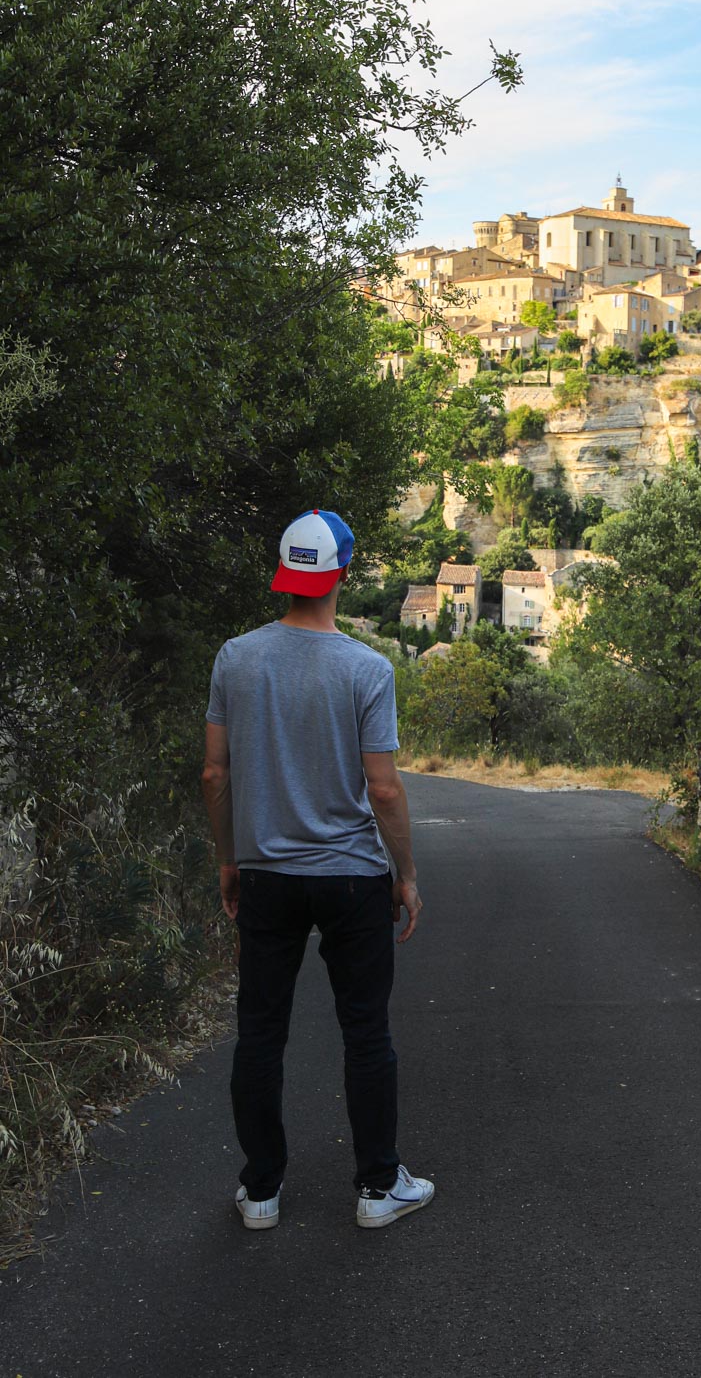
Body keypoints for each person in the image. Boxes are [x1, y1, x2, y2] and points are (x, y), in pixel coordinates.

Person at [201, 507, 433, 1231]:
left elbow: (214, 775)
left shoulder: (235, 658)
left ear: (286, 574)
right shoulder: (367, 668)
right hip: (352, 878)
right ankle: (377, 1187)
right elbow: (385, 787)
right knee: (365, 1031)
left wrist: (228, 860)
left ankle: (262, 1193)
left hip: (267, 874)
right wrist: (406, 873)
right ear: (342, 573)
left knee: (261, 1033)